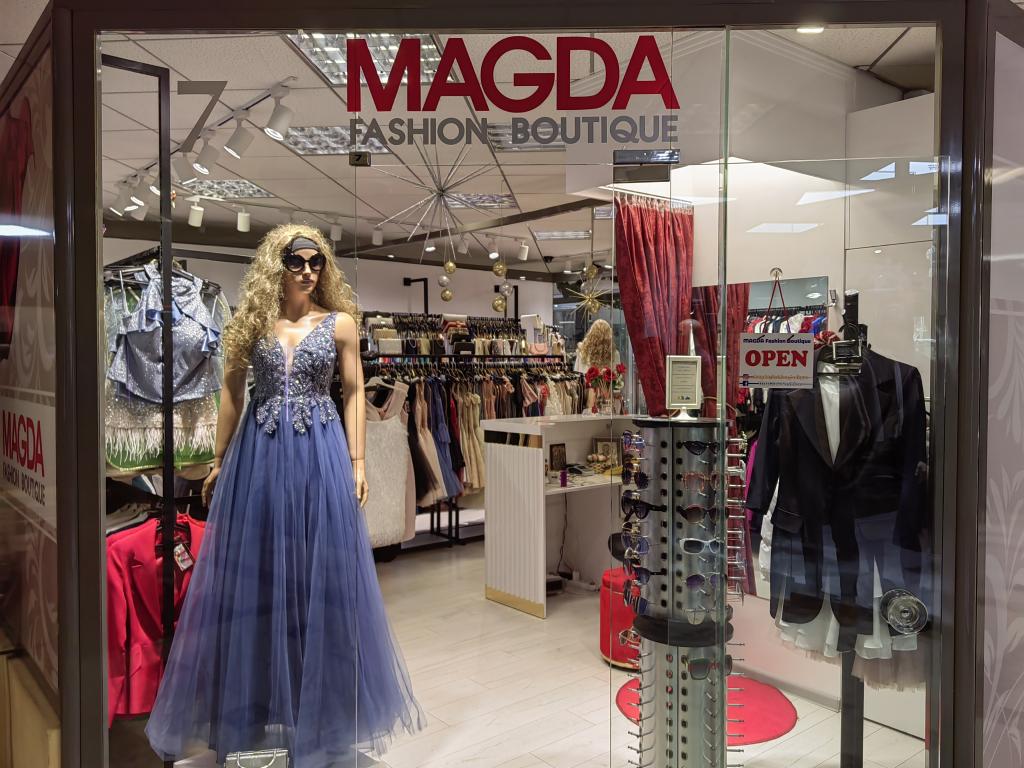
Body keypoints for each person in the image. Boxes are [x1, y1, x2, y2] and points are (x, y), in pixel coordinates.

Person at [146, 224, 423, 767]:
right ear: (277, 264)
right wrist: (219, 460)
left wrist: (358, 461)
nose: (308, 271)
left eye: (317, 262)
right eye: (297, 261)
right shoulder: (252, 324)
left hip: (320, 454)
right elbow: (230, 393)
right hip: (262, 456)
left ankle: (321, 714)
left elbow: (353, 391)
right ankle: (255, 710)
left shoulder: (340, 323)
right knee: (258, 576)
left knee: (321, 576)